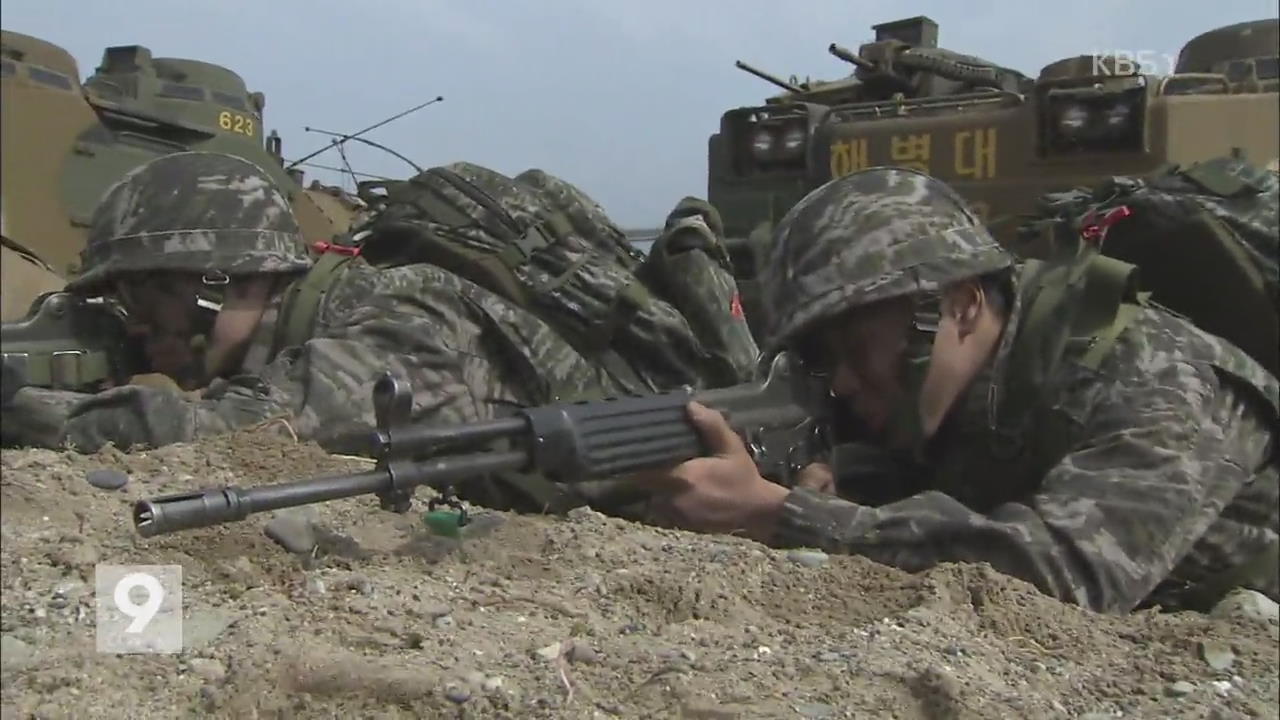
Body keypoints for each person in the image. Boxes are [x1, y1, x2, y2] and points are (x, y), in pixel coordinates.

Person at [642, 166, 1280, 615]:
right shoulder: (957, 378)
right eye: (819, 356)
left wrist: (780, 514)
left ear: (963, 306)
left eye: (855, 346)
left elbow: (1069, 576)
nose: (840, 380)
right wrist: (843, 483)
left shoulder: (1161, 376)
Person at [0, 152, 677, 511]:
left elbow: (230, 435)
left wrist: (19, 407)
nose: (138, 325)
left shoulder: (394, 323)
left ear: (222, 282)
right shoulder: (337, 311)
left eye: (145, 295)